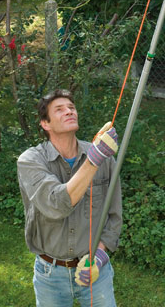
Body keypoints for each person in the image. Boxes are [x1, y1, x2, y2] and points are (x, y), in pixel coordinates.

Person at [17, 88, 122, 307]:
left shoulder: (103, 156)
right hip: (50, 274)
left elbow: (114, 214)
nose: (69, 111)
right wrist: (94, 160)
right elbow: (57, 204)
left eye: (72, 108)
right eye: (60, 109)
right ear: (45, 124)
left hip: (95, 271)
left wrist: (100, 256)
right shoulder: (31, 161)